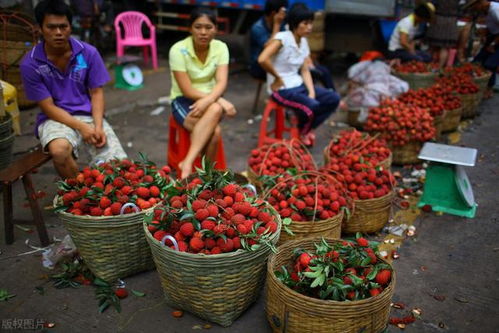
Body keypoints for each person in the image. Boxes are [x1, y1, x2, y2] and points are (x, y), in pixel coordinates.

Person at [20, 0, 127, 180]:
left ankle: (101, 196)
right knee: (59, 151)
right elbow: (47, 106)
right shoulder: (30, 64)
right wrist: (80, 127)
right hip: (54, 118)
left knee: (119, 168)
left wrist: (98, 126)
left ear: (71, 26)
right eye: (51, 27)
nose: (59, 33)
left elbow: (97, 92)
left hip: (89, 115)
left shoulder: (88, 53)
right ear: (40, 29)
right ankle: (82, 195)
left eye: (63, 26)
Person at [258, 3, 339, 146]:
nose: (310, 27)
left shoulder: (304, 42)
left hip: (298, 85)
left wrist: (312, 92)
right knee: (311, 108)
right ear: (295, 24)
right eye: (305, 23)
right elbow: (262, 59)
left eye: (311, 23)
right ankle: (304, 131)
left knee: (333, 98)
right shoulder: (282, 38)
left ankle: (305, 129)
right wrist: (277, 77)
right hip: (281, 90)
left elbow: (305, 70)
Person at [169, 7, 236, 179]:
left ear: (216, 28)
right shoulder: (178, 50)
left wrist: (211, 101)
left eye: (208, 27)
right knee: (215, 132)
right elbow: (187, 90)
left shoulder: (221, 48)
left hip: (210, 100)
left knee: (213, 110)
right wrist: (218, 101)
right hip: (182, 99)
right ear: (190, 28)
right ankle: (206, 175)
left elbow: (222, 82)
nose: (203, 32)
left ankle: (189, 163)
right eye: (198, 27)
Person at [465, 0, 499, 97]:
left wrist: (493, 44)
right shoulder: (487, 11)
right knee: (478, 61)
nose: (474, 8)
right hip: (494, 36)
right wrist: (486, 32)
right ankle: (478, 86)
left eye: (474, 6)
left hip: (496, 39)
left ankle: (489, 89)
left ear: (480, 3)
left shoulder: (495, 9)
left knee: (490, 64)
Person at [249, 0, 288, 81]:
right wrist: (277, 25)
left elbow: (286, 40)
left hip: (275, 60)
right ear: (274, 13)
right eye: (282, 12)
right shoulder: (257, 27)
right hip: (259, 66)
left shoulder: (282, 23)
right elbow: (269, 48)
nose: (284, 15)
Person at [427, 0, 460, 68]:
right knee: (445, 47)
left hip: (438, 18)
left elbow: (430, 4)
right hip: (451, 19)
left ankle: (428, 65)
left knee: (432, 46)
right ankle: (439, 67)